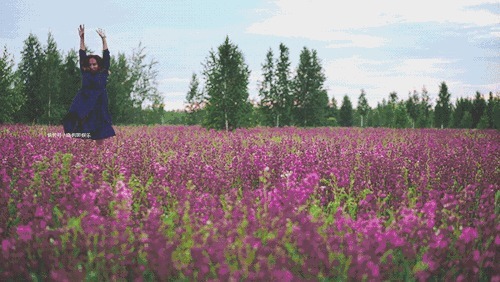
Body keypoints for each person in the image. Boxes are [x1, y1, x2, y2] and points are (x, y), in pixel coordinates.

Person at [63, 24, 115, 146]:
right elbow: (82, 55)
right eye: (90, 64)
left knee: (100, 128)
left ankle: (99, 154)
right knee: (83, 126)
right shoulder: (85, 72)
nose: (92, 66)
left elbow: (106, 56)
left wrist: (104, 39)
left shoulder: (103, 72)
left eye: (94, 64)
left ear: (99, 64)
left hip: (99, 102)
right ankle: (86, 153)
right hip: (85, 102)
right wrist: (82, 38)